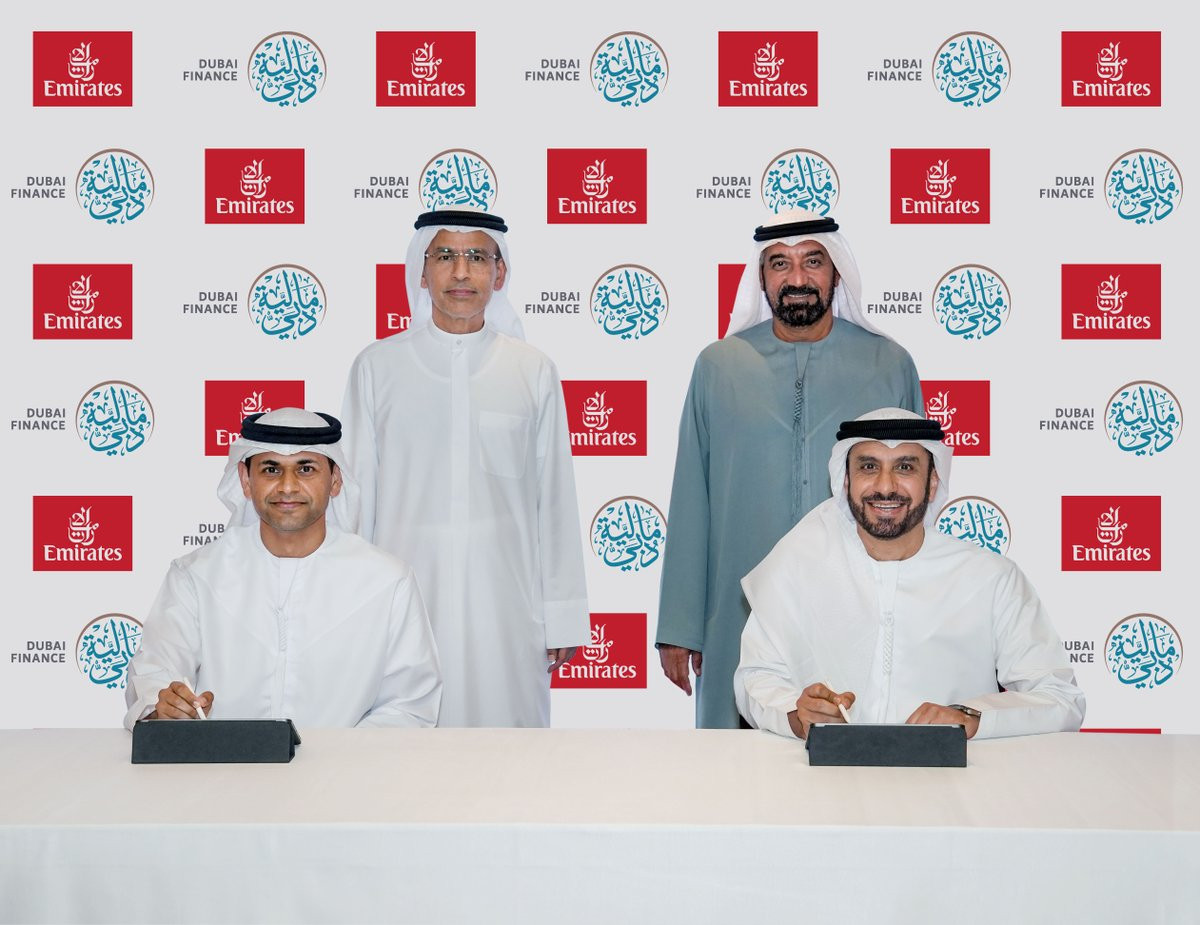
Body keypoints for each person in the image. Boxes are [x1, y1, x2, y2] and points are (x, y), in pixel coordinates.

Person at [657, 209, 925, 728]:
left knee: (854, 745)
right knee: (737, 757)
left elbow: (918, 502)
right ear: (762, 278)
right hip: (737, 609)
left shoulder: (889, 364)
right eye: (780, 263)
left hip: (859, 603)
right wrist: (680, 626)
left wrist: (919, 608)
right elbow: (692, 498)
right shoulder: (719, 366)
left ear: (836, 272)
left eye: (813, 262)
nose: (796, 278)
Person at [341, 209, 589, 727]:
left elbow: (554, 499)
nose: (460, 273)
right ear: (422, 270)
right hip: (404, 599)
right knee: (403, 747)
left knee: (507, 749)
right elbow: (356, 498)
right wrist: (353, 606)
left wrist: (562, 614)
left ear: (500, 273)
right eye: (445, 257)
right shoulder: (377, 367)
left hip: (506, 603)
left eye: (477, 257)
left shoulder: (532, 369)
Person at [735, 408, 1085, 739]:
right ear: (845, 481)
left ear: (932, 483)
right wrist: (797, 715)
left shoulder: (990, 578)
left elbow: (1060, 698)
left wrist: (971, 717)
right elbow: (756, 679)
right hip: (824, 772)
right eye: (869, 467)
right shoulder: (798, 567)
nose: (886, 487)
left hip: (952, 775)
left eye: (905, 467)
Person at [123, 408, 442, 730]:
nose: (288, 486)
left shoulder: (386, 581)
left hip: (345, 762)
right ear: (246, 480)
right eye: (271, 469)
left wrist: (338, 756)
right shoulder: (197, 575)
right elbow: (155, 674)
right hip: (224, 761)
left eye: (306, 469)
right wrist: (164, 706)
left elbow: (409, 705)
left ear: (335, 480)